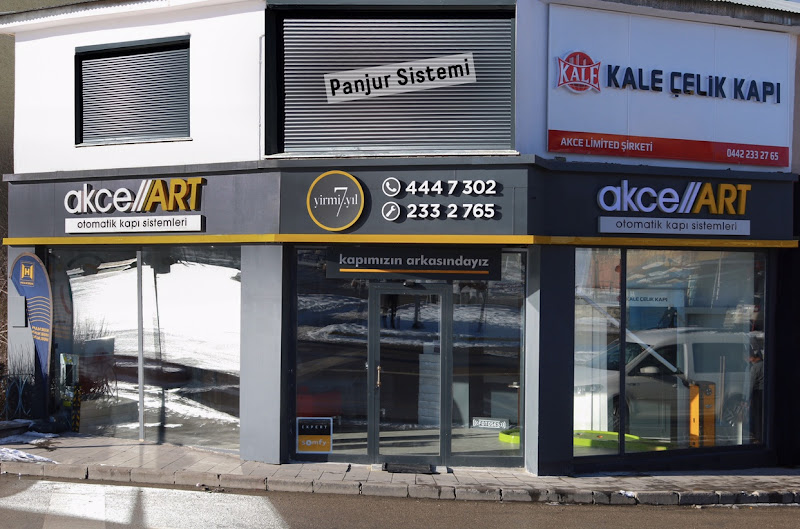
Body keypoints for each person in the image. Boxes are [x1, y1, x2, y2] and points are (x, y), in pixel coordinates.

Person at [747, 349, 764, 444]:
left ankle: (757, 436)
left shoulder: (755, 368)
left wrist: (747, 398)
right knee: (762, 415)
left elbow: (751, 384)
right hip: (764, 393)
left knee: (756, 415)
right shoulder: (765, 364)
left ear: (753, 357)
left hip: (757, 394)